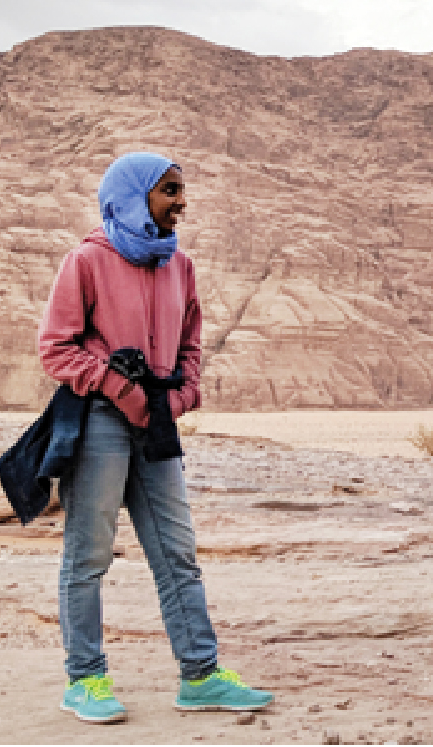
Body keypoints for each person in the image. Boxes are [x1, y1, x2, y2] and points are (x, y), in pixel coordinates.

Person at [38, 152, 272, 723]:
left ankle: (200, 675)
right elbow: (56, 348)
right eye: (170, 190)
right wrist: (120, 389)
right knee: (88, 555)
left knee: (177, 552)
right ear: (133, 195)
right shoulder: (87, 261)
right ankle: (85, 681)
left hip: (159, 425)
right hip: (100, 421)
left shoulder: (180, 265)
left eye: (182, 191)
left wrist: (183, 393)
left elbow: (191, 345)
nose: (182, 202)